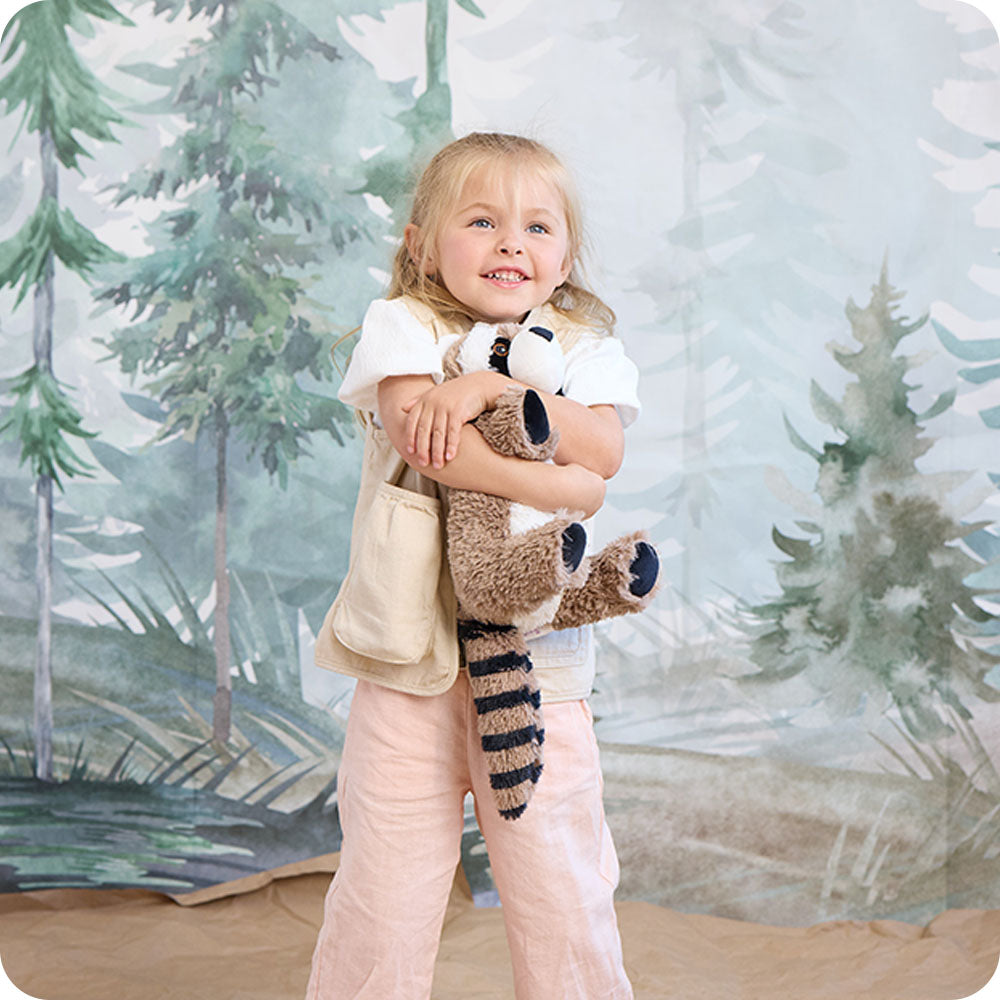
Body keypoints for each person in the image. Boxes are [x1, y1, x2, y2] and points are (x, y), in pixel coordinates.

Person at [306, 132, 641, 1000]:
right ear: (420, 242)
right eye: (483, 221)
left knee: (562, 888)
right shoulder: (405, 328)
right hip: (409, 664)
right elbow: (438, 450)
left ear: (564, 257)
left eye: (537, 227)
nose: (510, 245)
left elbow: (602, 447)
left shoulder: (580, 347)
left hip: (542, 673)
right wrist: (566, 478)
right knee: (383, 894)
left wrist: (493, 392)